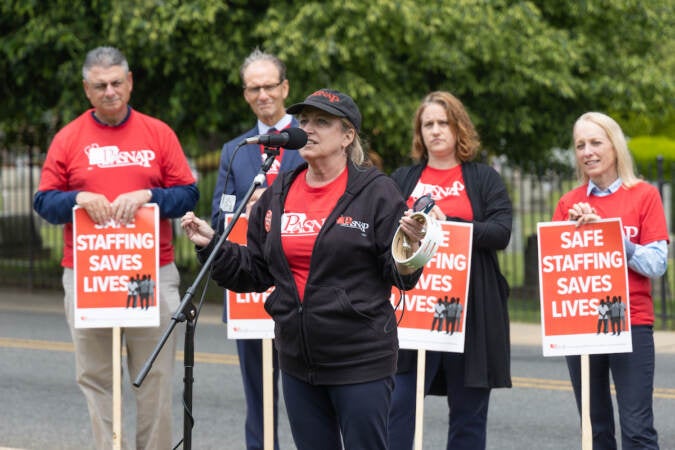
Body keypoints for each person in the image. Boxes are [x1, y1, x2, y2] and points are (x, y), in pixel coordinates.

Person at [182, 88, 425, 450]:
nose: (308, 128)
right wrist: (213, 245)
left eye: (322, 122)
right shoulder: (278, 193)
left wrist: (411, 248)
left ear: (347, 135)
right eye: (304, 120)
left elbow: (398, 274)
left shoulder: (377, 193)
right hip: (297, 361)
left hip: (360, 361)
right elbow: (257, 271)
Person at [33, 46, 199, 450]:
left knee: (154, 377)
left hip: (149, 272)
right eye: (99, 85)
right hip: (91, 274)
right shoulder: (68, 137)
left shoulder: (158, 133)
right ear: (87, 91)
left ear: (130, 83)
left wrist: (150, 196)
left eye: (116, 83)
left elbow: (188, 192)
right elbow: (43, 201)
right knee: (97, 378)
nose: (109, 91)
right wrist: (77, 199)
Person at [388, 90, 513, 450]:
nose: (436, 130)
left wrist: (452, 223)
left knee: (468, 416)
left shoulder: (483, 177)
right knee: (399, 408)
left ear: (459, 128)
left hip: (471, 313)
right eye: (428, 124)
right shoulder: (402, 178)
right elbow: (380, 231)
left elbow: (501, 232)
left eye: (443, 122)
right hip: (413, 312)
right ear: (419, 132)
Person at [553, 111, 668, 449]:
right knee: (595, 429)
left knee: (637, 430)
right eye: (580, 145)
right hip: (580, 326)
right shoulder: (568, 203)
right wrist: (571, 235)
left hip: (630, 321)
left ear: (614, 146)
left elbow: (657, 264)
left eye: (595, 142)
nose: (587, 151)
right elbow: (556, 269)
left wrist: (608, 233)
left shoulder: (644, 195)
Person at [210, 48, 305, 450]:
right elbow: (219, 215)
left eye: (269, 86)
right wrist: (244, 209)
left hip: (304, 290)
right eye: (254, 88)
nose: (263, 94)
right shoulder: (236, 149)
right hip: (253, 292)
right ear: (246, 94)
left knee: (308, 396)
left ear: (284, 88)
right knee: (258, 396)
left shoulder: (311, 139)